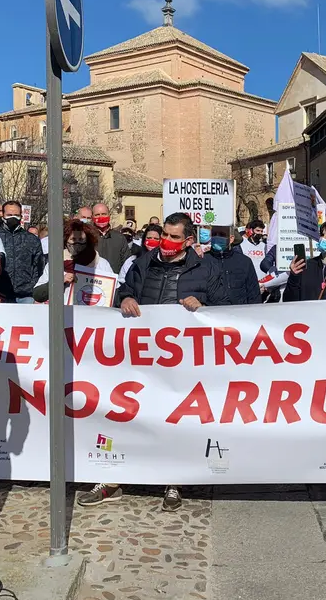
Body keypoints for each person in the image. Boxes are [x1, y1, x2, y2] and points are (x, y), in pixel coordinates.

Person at [78, 213, 228, 511]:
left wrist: (204, 307)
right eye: (164, 236)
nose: (166, 242)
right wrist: (125, 299)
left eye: (174, 237)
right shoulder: (144, 262)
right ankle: (111, 479)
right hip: (141, 355)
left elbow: (227, 307)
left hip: (183, 359)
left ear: (188, 241)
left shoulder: (207, 268)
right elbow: (124, 289)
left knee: (173, 419)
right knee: (126, 414)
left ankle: (173, 480)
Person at [33, 220, 114, 303]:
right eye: (73, 239)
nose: (77, 243)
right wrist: (59, 281)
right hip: (64, 312)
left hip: (91, 312)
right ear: (66, 240)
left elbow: (113, 291)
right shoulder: (56, 263)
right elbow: (38, 294)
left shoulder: (101, 263)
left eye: (81, 239)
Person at [0, 200, 44, 303]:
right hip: (0, 294)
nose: (13, 217)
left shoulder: (31, 239)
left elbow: (39, 265)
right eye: (9, 214)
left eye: (16, 215)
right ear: (3, 215)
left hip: (26, 295)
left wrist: (31, 286)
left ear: (21, 216)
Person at [206, 226, 262, 305]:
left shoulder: (244, 261)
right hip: (211, 313)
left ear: (231, 239)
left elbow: (254, 294)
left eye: (221, 235)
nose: (217, 237)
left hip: (238, 313)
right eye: (214, 234)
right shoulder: (203, 260)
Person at [91, 203, 130, 273]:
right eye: (97, 215)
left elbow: (126, 263)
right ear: (92, 217)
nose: (101, 217)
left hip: (114, 281)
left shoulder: (119, 238)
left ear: (109, 215)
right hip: (91, 280)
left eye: (104, 214)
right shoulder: (87, 236)